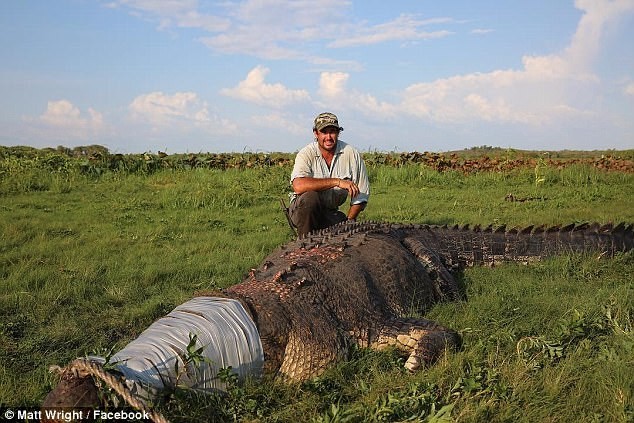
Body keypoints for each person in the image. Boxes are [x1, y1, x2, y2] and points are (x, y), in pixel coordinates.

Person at [289, 112, 370, 237]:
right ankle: (304, 245)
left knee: (343, 230)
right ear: (316, 133)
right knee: (310, 198)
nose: (329, 137)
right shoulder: (306, 154)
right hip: (302, 210)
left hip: (329, 212)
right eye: (324, 132)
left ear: (338, 133)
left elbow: (362, 194)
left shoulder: (350, 153)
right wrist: (336, 181)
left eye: (332, 131)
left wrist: (349, 220)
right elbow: (298, 186)